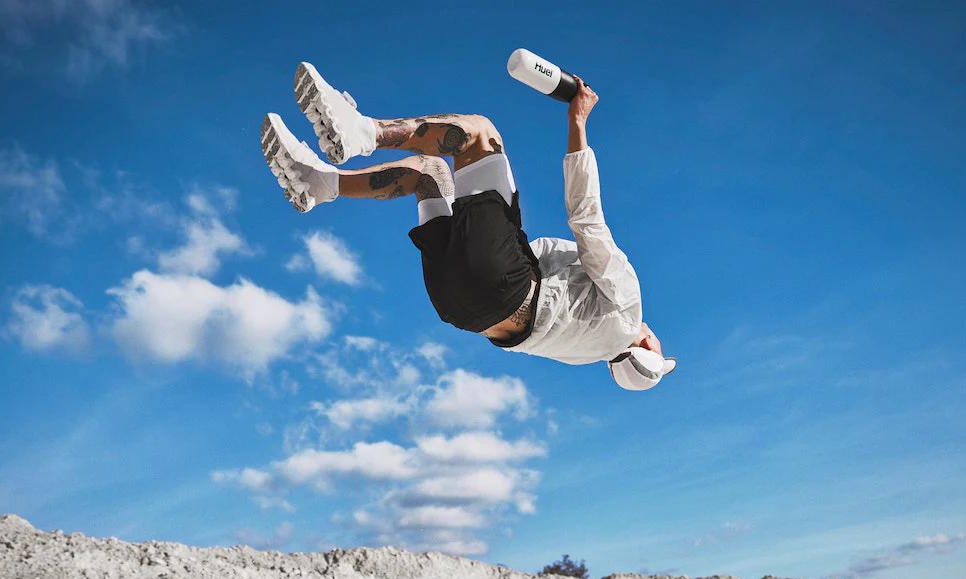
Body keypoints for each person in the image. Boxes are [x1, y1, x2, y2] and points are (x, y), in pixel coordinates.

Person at [260, 62, 676, 390]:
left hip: (506, 285)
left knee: (481, 136)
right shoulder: (582, 352)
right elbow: (545, 258)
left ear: (647, 346)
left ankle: (362, 132)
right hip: (457, 308)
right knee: (429, 175)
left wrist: (578, 122)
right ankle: (319, 184)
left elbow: (587, 220)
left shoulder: (627, 312)